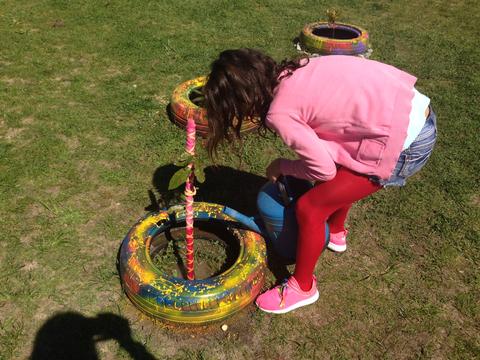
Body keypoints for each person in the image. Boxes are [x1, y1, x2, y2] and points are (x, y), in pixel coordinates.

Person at [203, 48, 437, 314]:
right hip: (412, 108)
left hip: (404, 142)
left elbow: (323, 170)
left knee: (310, 208)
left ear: (243, 101)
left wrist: (283, 166)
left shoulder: (279, 113)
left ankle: (303, 287)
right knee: (343, 165)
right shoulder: (299, 67)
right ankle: (335, 232)